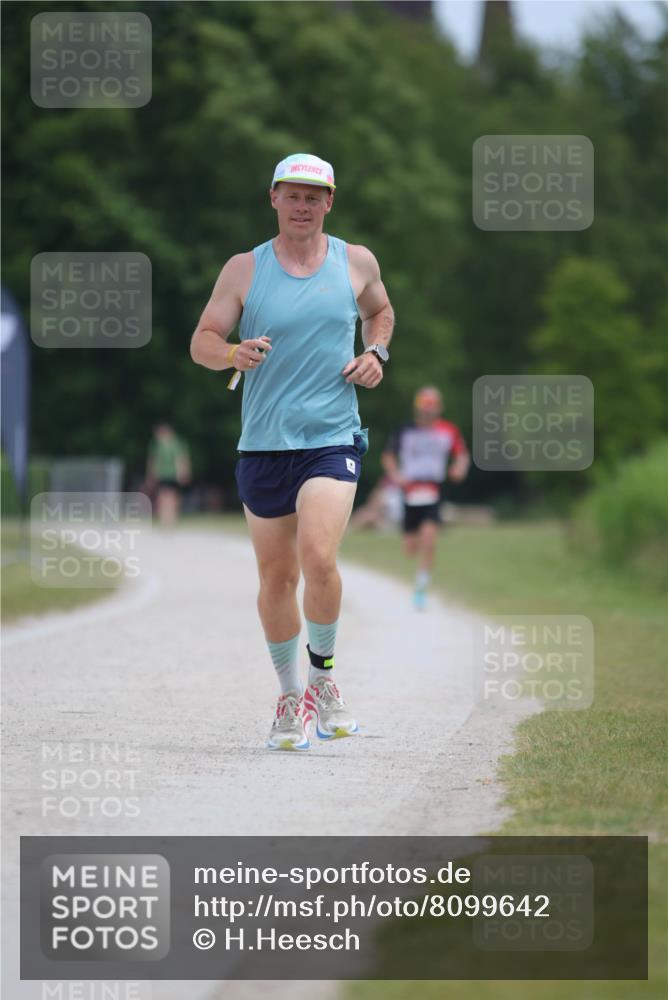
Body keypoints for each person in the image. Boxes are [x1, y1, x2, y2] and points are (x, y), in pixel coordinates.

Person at [190, 153, 394, 751]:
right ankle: (289, 697)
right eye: (292, 196)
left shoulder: (355, 261)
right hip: (263, 446)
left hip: (331, 437)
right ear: (273, 199)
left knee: (319, 557)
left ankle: (323, 681)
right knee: (277, 577)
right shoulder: (243, 269)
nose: (302, 206)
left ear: (329, 203)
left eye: (314, 197)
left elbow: (379, 312)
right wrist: (232, 354)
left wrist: (376, 354)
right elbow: (201, 341)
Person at [381, 386, 469, 609]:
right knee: (410, 548)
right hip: (409, 490)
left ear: (439, 409)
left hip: (433, 488)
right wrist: (395, 475)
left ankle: (421, 586)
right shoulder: (405, 431)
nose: (427, 414)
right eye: (424, 409)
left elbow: (462, 455)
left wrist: (459, 468)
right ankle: (416, 547)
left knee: (430, 539)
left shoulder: (448, 431)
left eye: (431, 409)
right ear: (418, 409)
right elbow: (388, 456)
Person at [146, 423, 192, 527]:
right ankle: (166, 520)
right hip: (162, 474)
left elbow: (180, 459)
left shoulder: (175, 443)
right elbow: (153, 461)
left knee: (171, 498)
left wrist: (183, 472)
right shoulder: (157, 444)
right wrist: (151, 475)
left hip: (173, 474)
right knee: (163, 498)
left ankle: (170, 519)